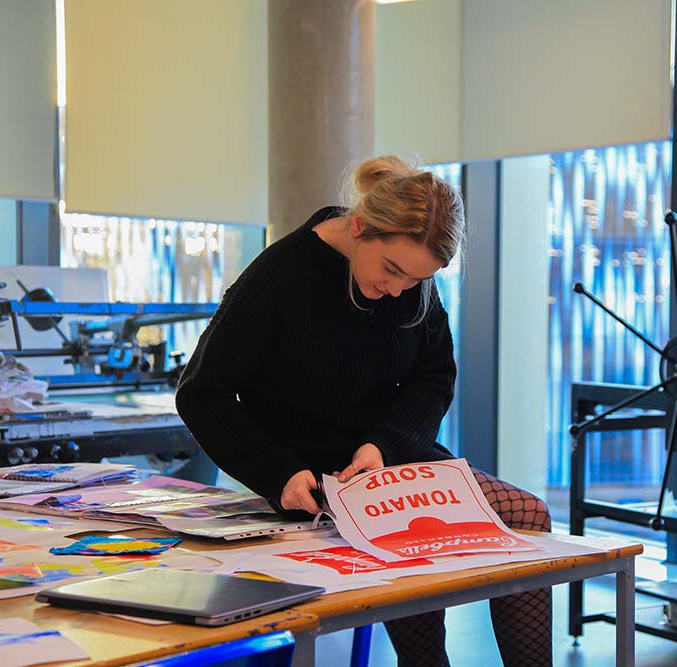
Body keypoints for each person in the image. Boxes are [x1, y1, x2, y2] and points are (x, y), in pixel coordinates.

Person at [175, 155, 552, 667]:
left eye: (415, 280)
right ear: (359, 227)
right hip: (312, 483)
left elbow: (434, 376)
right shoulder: (277, 277)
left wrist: (384, 445)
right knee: (414, 577)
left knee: (529, 516)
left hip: (390, 462)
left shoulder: (410, 271)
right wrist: (276, 472)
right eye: (392, 271)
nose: (397, 291)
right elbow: (202, 393)